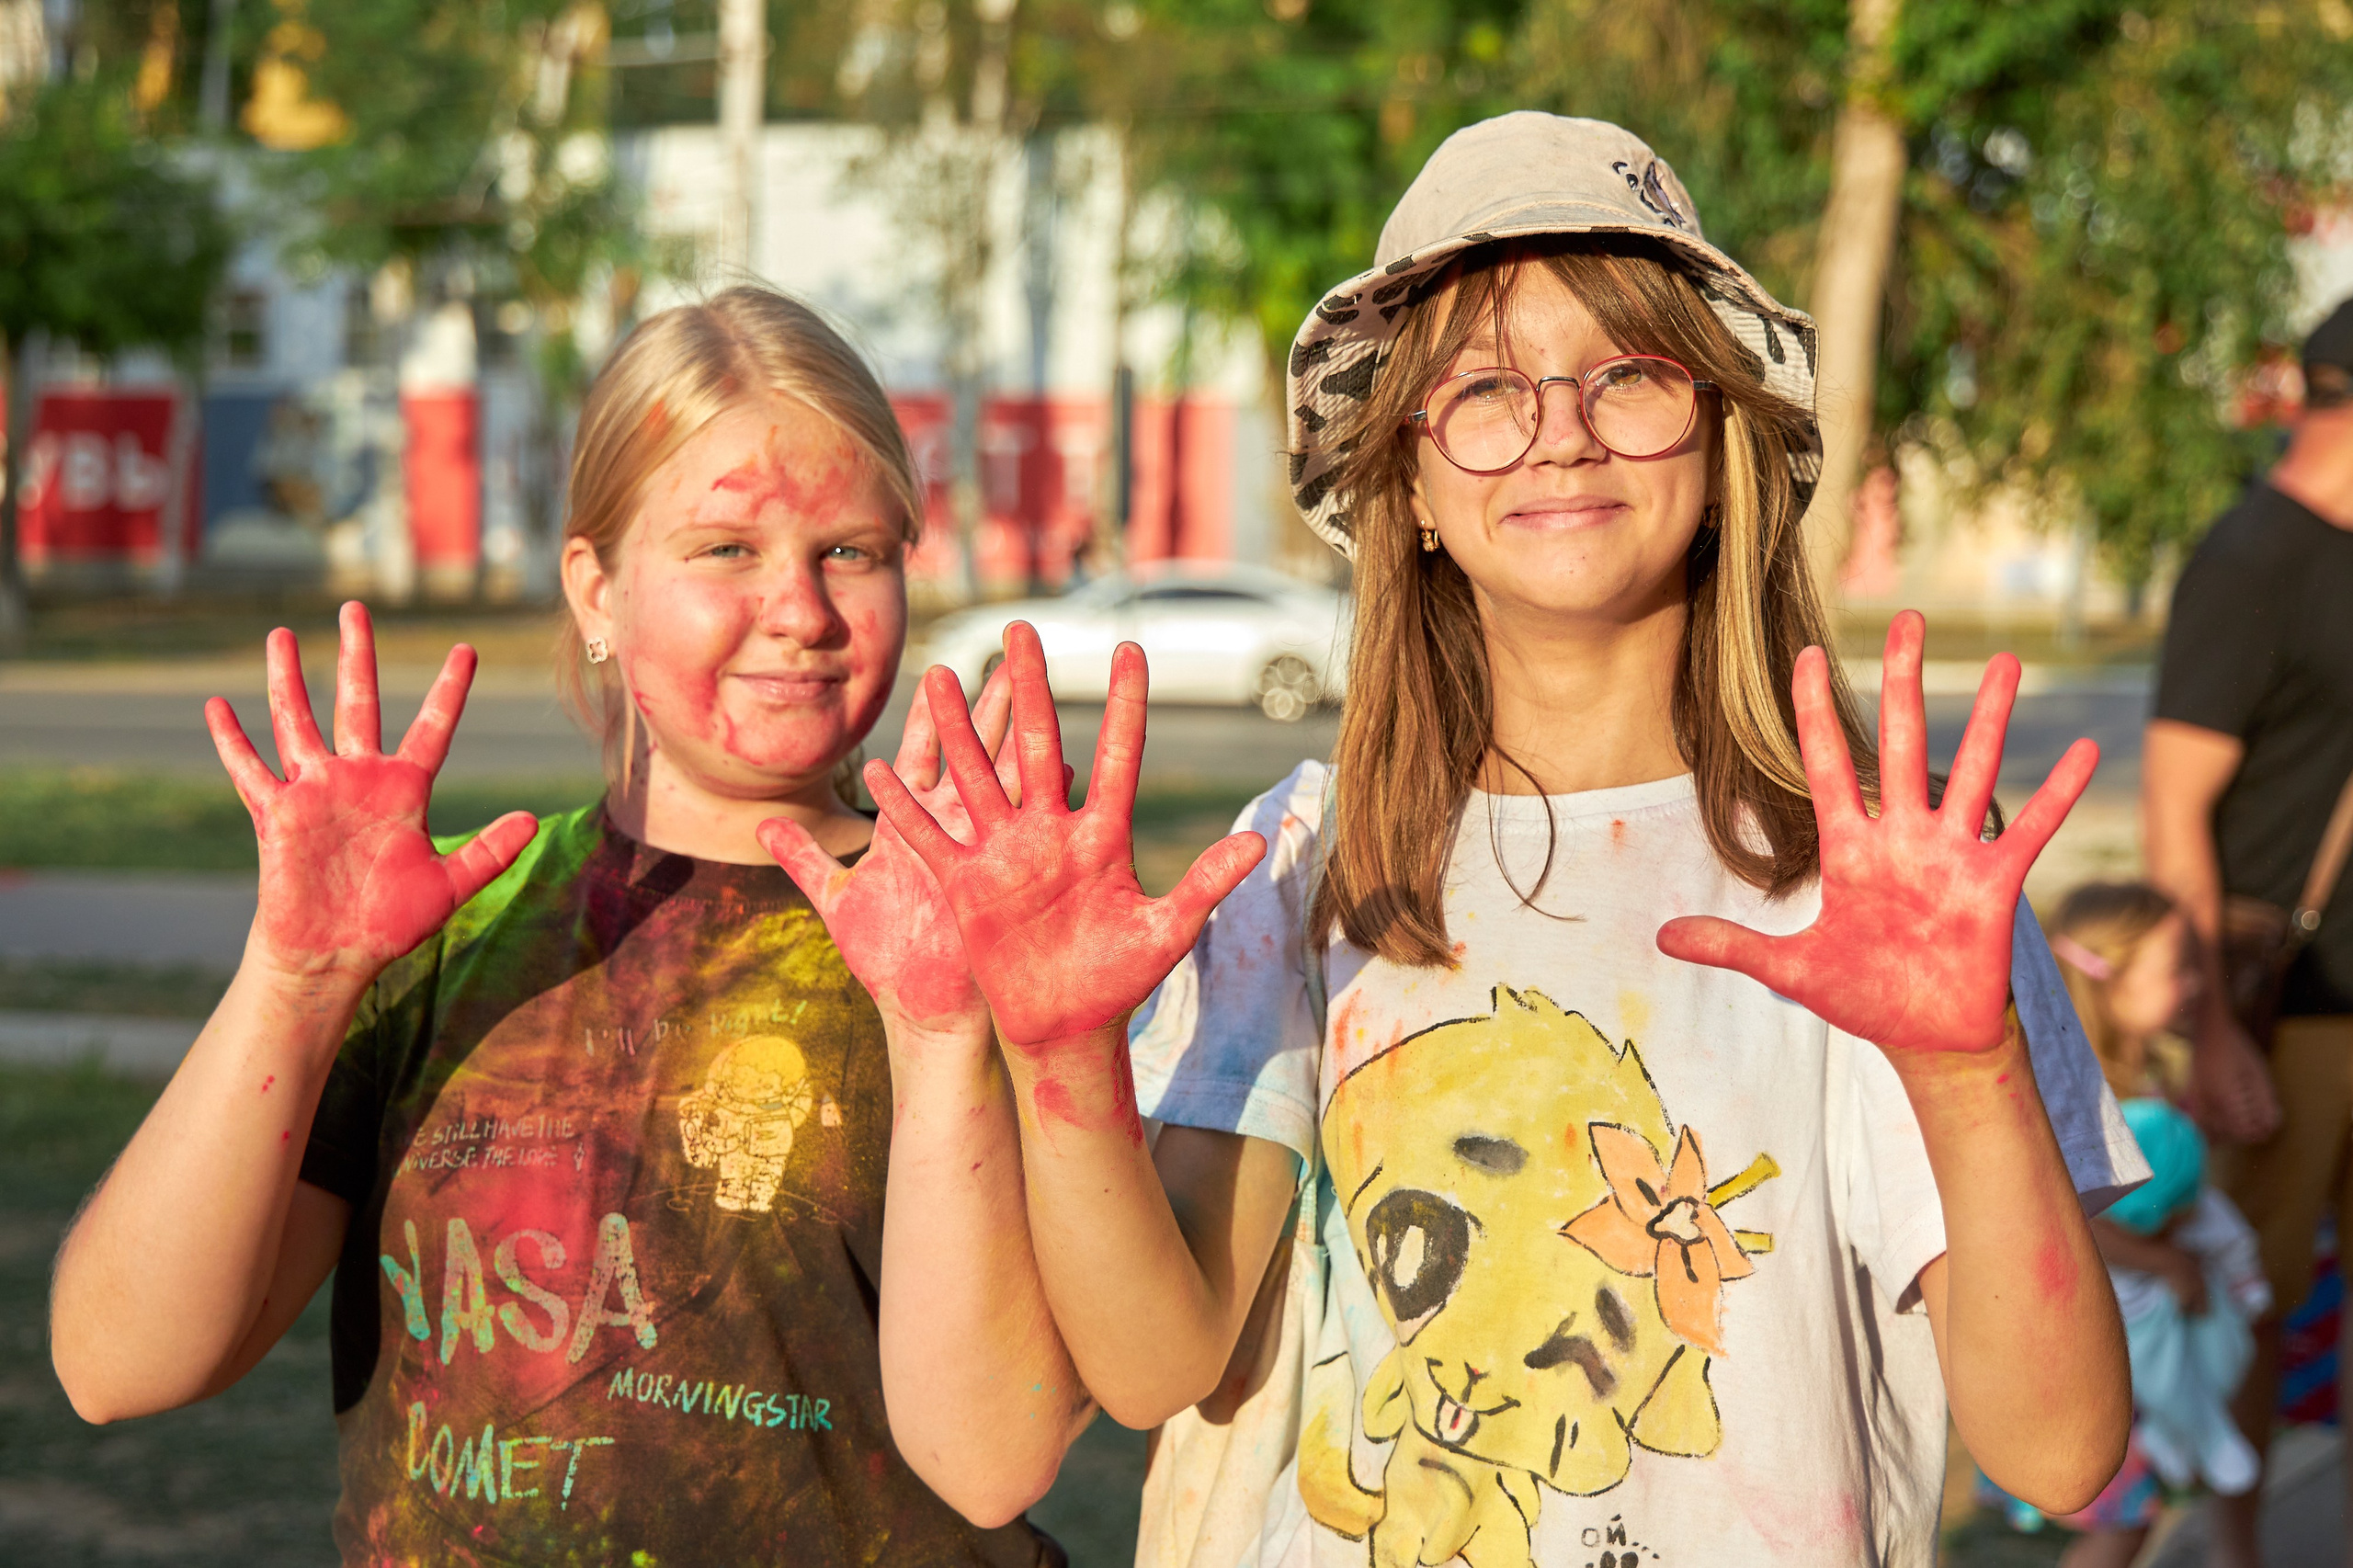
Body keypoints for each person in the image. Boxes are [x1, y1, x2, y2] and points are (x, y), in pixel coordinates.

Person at [875, 114, 2145, 1565]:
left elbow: (2061, 1452)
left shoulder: (1887, 876)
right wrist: (1057, 1061)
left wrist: (1968, 1068)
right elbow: (1157, 1362)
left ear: (1724, 439)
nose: (1561, 428)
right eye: (1484, 389)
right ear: (1405, 485)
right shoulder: (1303, 863)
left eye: (1631, 374)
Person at [49, 287, 1086, 1565]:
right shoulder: (457, 932)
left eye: (852, 550)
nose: (803, 610)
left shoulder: (982, 926)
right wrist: (297, 977)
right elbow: (115, 1364)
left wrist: (944, 1028)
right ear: (596, 587)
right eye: (726, 549)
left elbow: (994, 1461)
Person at [2143, 298, 2353, 1566]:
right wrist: (2212, 1027)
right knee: (2255, 1300)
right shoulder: (2251, 558)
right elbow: (2174, 809)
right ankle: (2232, 1548)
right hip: (2294, 1011)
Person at [2026, 884, 2271, 1568]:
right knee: (2123, 1525)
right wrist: (2170, 1264)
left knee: (2139, 1515)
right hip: (2111, 1351)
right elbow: (2081, 1223)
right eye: (2176, 970)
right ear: (2107, 983)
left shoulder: (2140, 1081)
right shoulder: (2089, 1110)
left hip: (2140, 1345)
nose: (2197, 984)